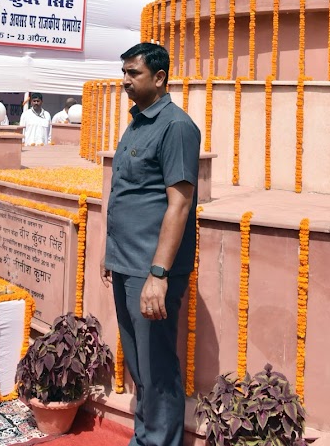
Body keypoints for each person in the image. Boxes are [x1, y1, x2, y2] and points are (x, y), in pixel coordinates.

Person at [101, 43, 200, 446]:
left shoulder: (176, 126)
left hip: (151, 269)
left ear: (159, 78)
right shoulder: (138, 122)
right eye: (124, 72)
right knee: (140, 365)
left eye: (133, 73)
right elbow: (129, 193)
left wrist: (158, 274)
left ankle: (159, 441)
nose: (125, 80)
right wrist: (112, 256)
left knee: (157, 365)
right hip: (126, 263)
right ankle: (145, 437)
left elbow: (179, 205)